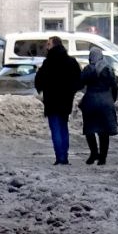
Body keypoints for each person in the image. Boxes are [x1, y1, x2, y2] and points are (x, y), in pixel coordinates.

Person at [33, 36, 82, 164]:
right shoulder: (71, 62)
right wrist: (71, 91)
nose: (47, 47)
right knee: (64, 128)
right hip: (66, 100)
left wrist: (43, 88)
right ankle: (64, 157)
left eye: (48, 44)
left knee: (55, 129)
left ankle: (59, 157)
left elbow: (39, 80)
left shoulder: (48, 63)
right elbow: (79, 80)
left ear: (54, 45)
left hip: (52, 101)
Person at [78, 47, 118, 165]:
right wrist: (112, 99)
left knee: (90, 129)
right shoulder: (109, 69)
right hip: (106, 101)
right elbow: (115, 86)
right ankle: (102, 158)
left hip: (91, 101)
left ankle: (93, 153)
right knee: (104, 131)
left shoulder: (88, 69)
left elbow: (80, 83)